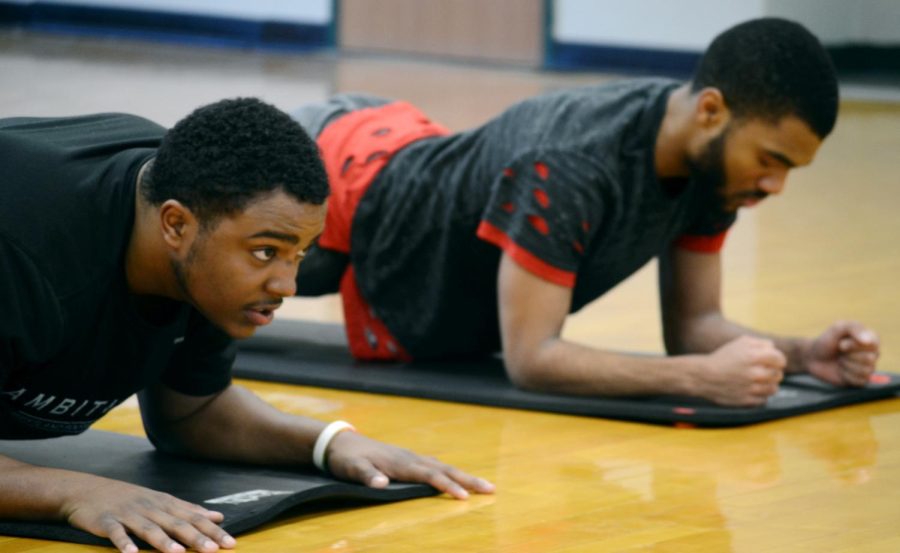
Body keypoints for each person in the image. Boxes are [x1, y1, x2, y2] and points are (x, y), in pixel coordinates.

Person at [291, 18, 880, 407]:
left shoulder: (718, 174)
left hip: (404, 202)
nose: (775, 185)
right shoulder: (572, 162)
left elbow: (695, 327)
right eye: (770, 160)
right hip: (341, 177)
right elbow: (532, 359)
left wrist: (804, 355)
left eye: (790, 171)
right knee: (214, 273)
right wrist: (698, 380)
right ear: (710, 110)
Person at [0, 98, 494, 553]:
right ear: (175, 225)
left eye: (300, 254)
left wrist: (330, 444)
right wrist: (73, 491)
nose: (287, 284)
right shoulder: (23, 252)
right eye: (266, 252)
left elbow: (193, 413)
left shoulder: (204, 218)